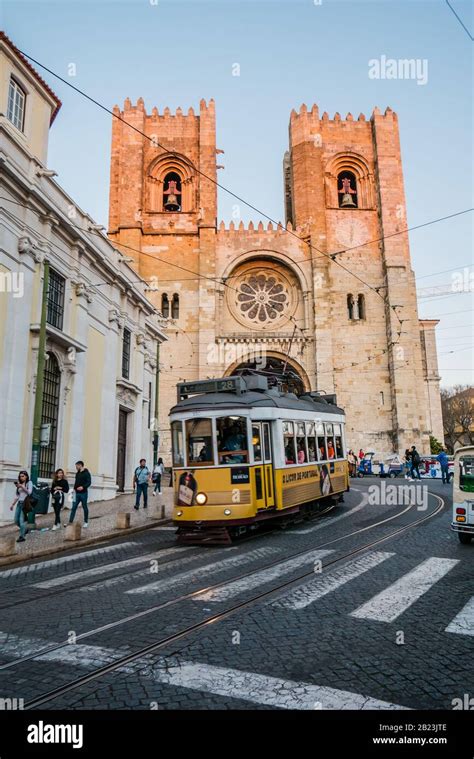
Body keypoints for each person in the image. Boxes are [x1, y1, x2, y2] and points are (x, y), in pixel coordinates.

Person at [10, 470, 33, 543]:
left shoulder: (29, 483)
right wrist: (12, 504)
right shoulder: (20, 484)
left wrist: (22, 487)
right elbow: (17, 496)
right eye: (20, 476)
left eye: (23, 476)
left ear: (26, 476)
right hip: (19, 504)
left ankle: (22, 536)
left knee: (21, 520)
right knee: (16, 520)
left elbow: (29, 492)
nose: (21, 477)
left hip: (25, 503)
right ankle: (25, 529)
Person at [68, 461, 92, 527]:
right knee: (73, 508)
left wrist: (83, 487)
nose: (76, 467)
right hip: (76, 493)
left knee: (84, 507)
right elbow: (76, 483)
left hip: (83, 493)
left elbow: (89, 482)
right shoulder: (77, 473)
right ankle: (70, 522)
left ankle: (86, 522)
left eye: (76, 466)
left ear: (80, 465)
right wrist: (72, 492)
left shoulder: (87, 473)